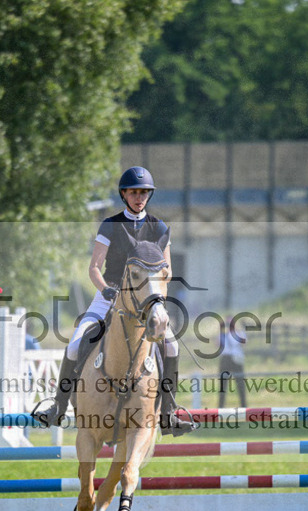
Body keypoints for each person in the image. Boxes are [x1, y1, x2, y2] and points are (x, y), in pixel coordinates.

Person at [32, 166, 197, 436]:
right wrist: (105, 289)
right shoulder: (110, 225)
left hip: (146, 299)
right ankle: (58, 406)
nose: (139, 197)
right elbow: (94, 267)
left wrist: (157, 301)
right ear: (124, 194)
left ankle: (168, 412)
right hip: (109, 294)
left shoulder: (159, 227)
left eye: (144, 192)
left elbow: (166, 271)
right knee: (76, 343)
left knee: (172, 347)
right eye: (134, 192)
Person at [218, 316, 247, 408]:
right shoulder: (222, 334)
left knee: (240, 383)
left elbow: (243, 343)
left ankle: (244, 406)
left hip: (236, 358)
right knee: (223, 384)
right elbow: (217, 345)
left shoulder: (239, 333)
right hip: (225, 358)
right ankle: (220, 407)